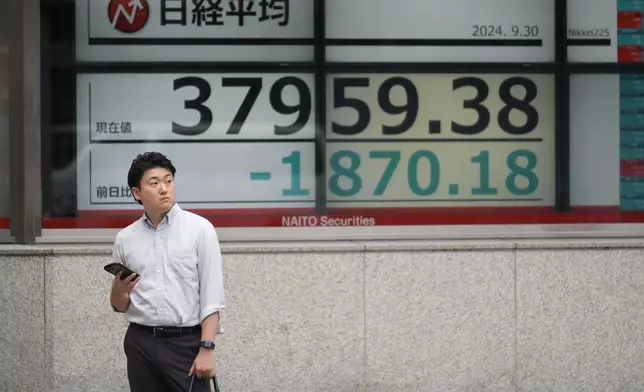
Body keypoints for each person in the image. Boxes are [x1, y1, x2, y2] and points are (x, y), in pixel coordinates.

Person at [109, 151, 226, 392]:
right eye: (154, 183)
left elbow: (212, 296)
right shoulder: (125, 238)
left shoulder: (199, 230)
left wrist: (207, 348)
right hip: (140, 342)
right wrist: (119, 290)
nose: (164, 188)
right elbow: (119, 306)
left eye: (168, 180)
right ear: (137, 193)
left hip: (186, 343)